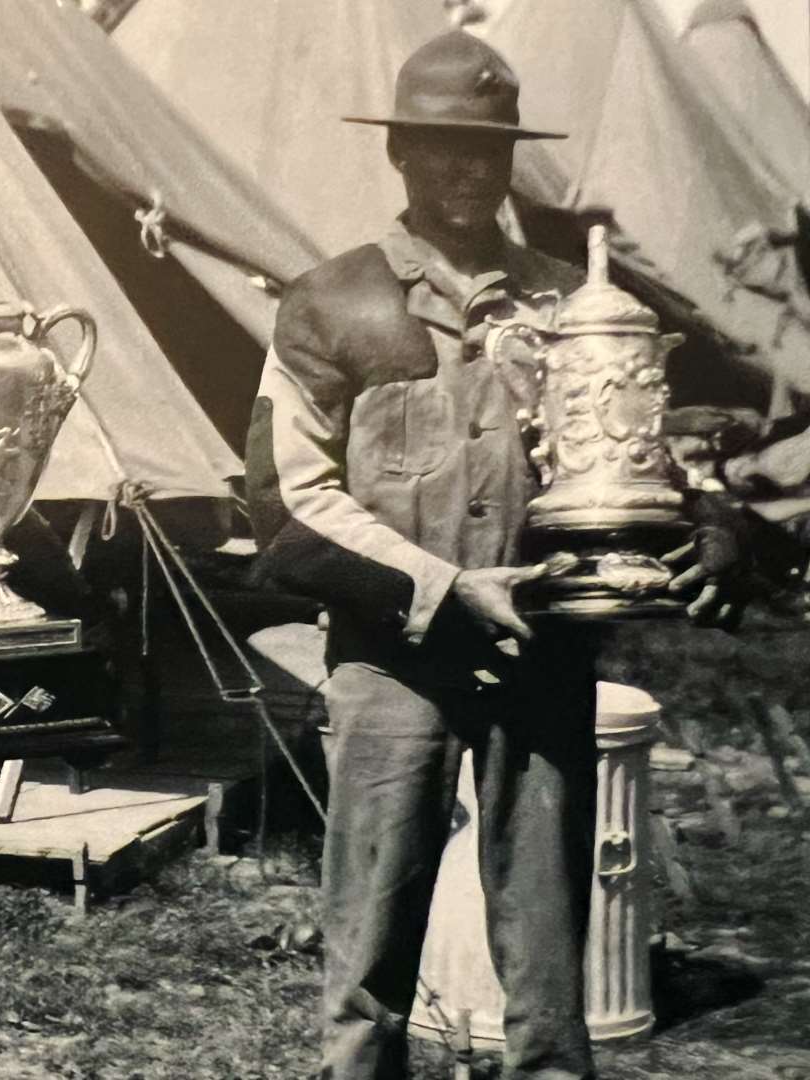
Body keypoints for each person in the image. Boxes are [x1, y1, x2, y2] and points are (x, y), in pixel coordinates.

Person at [245, 32, 603, 1080]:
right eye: (441, 147)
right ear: (399, 151)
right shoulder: (331, 302)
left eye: (487, 151)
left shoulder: (567, 306)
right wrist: (444, 591)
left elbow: (620, 468)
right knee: (366, 963)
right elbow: (286, 507)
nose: (466, 171)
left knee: (549, 971)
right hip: (387, 665)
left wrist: (699, 529)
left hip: (541, 659)